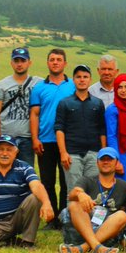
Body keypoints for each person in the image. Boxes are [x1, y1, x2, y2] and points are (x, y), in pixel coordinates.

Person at [0, 135, 56, 248]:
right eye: (1, 149)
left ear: (16, 152)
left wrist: (46, 203)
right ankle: (9, 242)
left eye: (9, 150)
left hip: (17, 218)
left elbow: (36, 186)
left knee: (35, 198)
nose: (5, 153)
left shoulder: (25, 168)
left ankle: (28, 242)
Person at [58, 147, 126, 253]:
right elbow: (72, 194)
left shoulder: (125, 187)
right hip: (82, 227)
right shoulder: (86, 180)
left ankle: (81, 248)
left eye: (110, 159)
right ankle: (97, 248)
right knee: (74, 204)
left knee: (122, 215)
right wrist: (80, 194)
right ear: (97, 163)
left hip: (106, 232)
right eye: (102, 159)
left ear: (117, 163)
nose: (106, 162)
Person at [29, 48, 75, 216]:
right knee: (47, 181)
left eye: (59, 59)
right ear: (47, 63)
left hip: (68, 141)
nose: (55, 62)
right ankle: (51, 216)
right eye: (52, 59)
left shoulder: (73, 85)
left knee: (66, 182)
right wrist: (35, 138)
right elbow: (34, 114)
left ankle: (64, 216)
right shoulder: (39, 88)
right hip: (45, 140)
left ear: (65, 63)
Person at [54, 64, 106, 188]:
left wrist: (102, 153)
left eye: (85, 77)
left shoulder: (98, 103)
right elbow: (59, 129)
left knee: (93, 192)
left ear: (90, 79)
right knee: (74, 193)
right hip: (72, 155)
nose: (82, 80)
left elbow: (102, 130)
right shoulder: (64, 103)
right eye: (78, 77)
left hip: (93, 153)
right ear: (74, 80)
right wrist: (63, 153)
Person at [0, 47, 36, 165]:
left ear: (29, 63)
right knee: (5, 172)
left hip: (27, 137)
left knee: (26, 173)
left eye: (23, 61)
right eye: (16, 61)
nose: (19, 64)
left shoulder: (38, 83)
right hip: (7, 137)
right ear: (11, 63)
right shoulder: (2, 84)